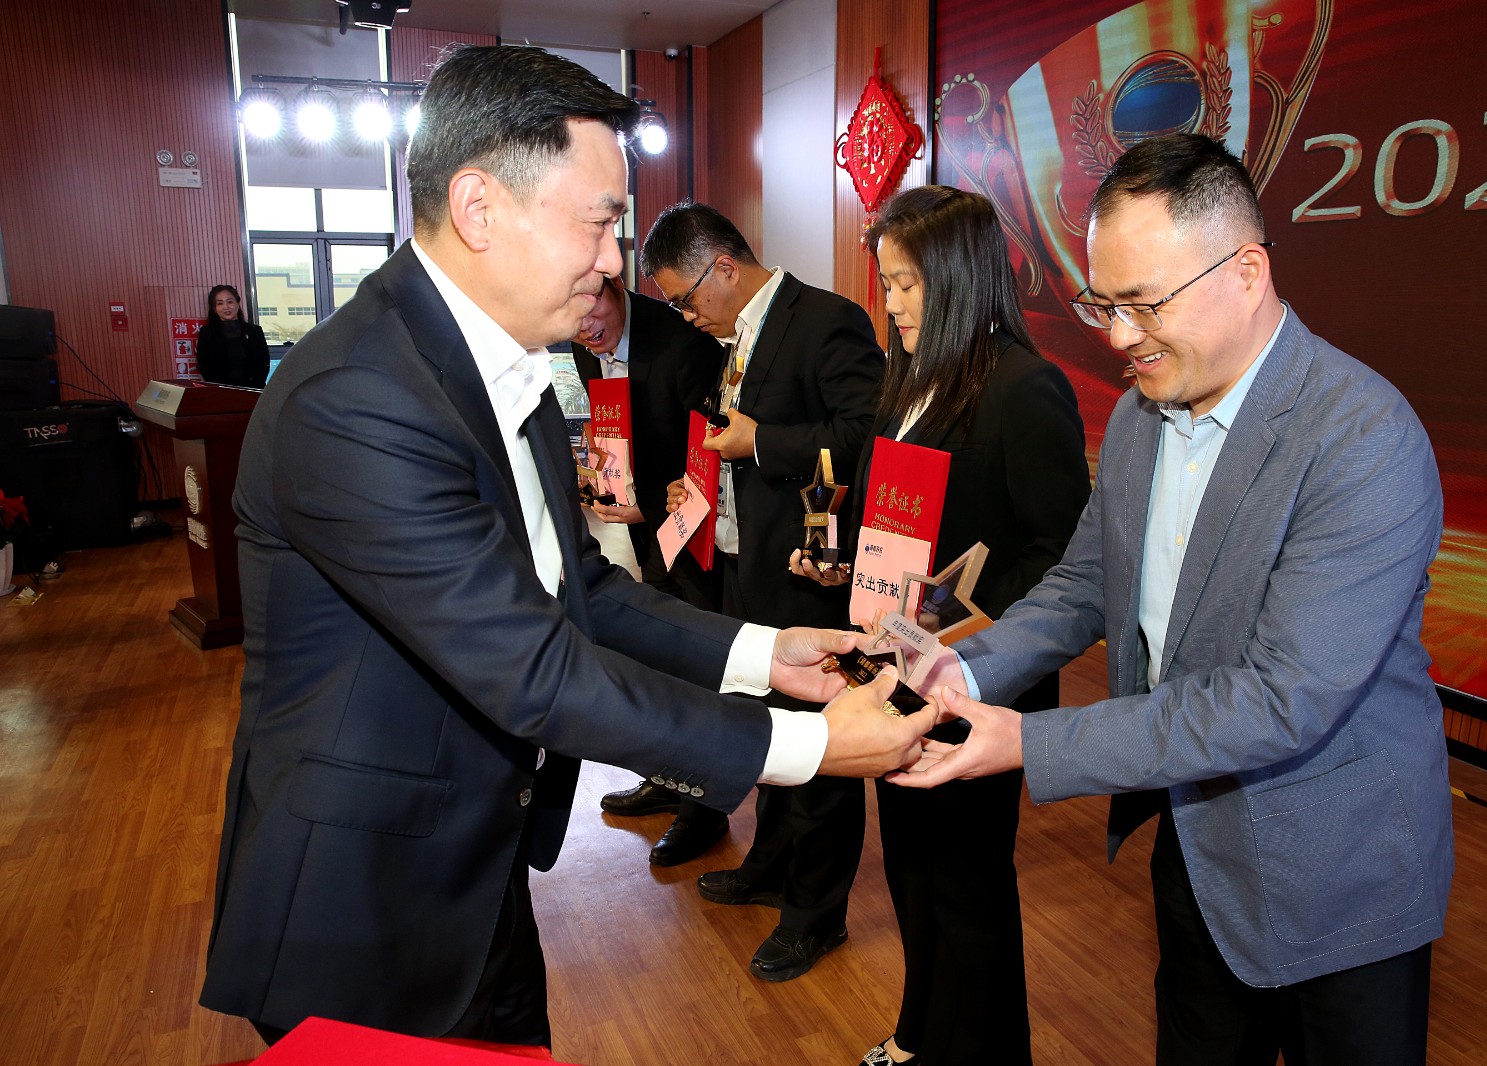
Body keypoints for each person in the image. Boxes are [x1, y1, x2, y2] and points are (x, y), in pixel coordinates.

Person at [197, 44, 934, 1050]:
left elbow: (581, 587)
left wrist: (765, 651)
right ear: (479, 207)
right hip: (367, 903)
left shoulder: (511, 370)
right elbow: (533, 667)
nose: (614, 261)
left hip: (479, 861)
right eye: (598, 222)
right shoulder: (359, 397)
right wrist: (804, 746)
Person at [892, 134, 1453, 1066]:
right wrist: (967, 667)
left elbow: (1282, 698)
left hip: (1338, 871)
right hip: (1196, 840)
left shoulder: (1362, 438)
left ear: (1247, 273)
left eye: (1145, 304)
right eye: (1104, 304)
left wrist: (1031, 742)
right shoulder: (1140, 416)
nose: (1118, 336)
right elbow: (1084, 582)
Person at [790, 185, 1091, 1065]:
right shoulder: (910, 383)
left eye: (909, 284)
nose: (893, 303)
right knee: (914, 869)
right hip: (898, 671)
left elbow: (1063, 557)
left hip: (977, 679)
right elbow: (898, 524)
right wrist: (850, 570)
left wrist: (948, 612)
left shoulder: (1024, 388)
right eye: (887, 283)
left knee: (968, 885)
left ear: (960, 277)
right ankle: (922, 1032)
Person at [617, 200, 883, 979]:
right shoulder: (733, 336)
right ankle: (769, 864)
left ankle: (815, 914)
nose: (684, 316)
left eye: (685, 298)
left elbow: (865, 437)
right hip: (742, 564)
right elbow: (723, 442)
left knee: (821, 747)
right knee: (765, 729)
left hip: (807, 574)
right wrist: (692, 485)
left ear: (724, 267)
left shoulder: (826, 321)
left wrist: (760, 442)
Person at [572, 273, 721, 614]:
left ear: (615, 283)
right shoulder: (583, 345)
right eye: (571, 316)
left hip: (696, 528)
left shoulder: (681, 340)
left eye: (591, 307)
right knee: (664, 617)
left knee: (705, 622)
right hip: (645, 531)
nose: (584, 327)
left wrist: (647, 507)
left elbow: (709, 448)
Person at [195, 284, 270, 388]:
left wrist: (254, 387)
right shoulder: (207, 333)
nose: (226, 307)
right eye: (220, 303)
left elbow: (264, 363)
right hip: (220, 392)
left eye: (230, 302)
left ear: (238, 303)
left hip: (253, 390)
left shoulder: (255, 331)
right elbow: (204, 365)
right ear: (214, 308)